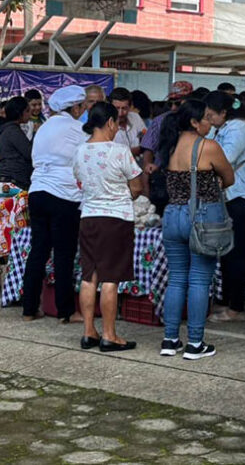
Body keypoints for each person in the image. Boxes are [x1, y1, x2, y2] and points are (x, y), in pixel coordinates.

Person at [157, 99, 234, 359]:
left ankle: (170, 340)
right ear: (194, 122)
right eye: (206, 119)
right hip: (201, 218)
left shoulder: (169, 145)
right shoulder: (208, 146)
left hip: (172, 216)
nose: (210, 124)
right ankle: (195, 343)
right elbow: (229, 177)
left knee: (177, 278)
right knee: (200, 279)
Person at [72, 102, 143, 352]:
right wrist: (121, 197)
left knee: (89, 276)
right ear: (111, 122)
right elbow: (137, 186)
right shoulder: (120, 151)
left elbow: (79, 180)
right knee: (110, 278)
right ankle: (109, 335)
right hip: (116, 219)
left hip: (89, 217)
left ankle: (88, 332)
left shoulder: (80, 151)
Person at [21, 86, 90, 324]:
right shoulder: (78, 129)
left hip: (37, 191)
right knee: (63, 254)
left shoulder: (44, 127)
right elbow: (85, 160)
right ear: (75, 108)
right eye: (82, 107)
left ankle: (29, 308)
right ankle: (66, 311)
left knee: (38, 251)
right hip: (64, 194)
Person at [203, 91, 245, 324]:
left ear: (224, 112)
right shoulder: (222, 127)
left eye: (210, 115)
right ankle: (225, 300)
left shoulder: (239, 128)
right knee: (225, 252)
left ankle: (236, 306)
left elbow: (224, 159)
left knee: (236, 253)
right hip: (224, 197)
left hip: (238, 197)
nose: (208, 120)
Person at [140, 81, 195, 208]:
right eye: (170, 103)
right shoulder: (160, 121)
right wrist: (146, 179)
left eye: (178, 103)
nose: (173, 108)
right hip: (162, 178)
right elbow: (148, 150)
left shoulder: (199, 120)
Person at [0, 96, 34, 190]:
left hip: (12, 179)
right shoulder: (13, 131)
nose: (30, 113)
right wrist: (36, 134)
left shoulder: (9, 129)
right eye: (27, 111)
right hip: (14, 180)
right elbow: (30, 153)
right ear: (19, 113)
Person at [109, 88, 146, 158]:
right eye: (117, 108)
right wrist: (137, 150)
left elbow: (145, 137)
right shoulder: (105, 124)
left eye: (124, 108)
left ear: (130, 107)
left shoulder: (135, 117)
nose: (120, 113)